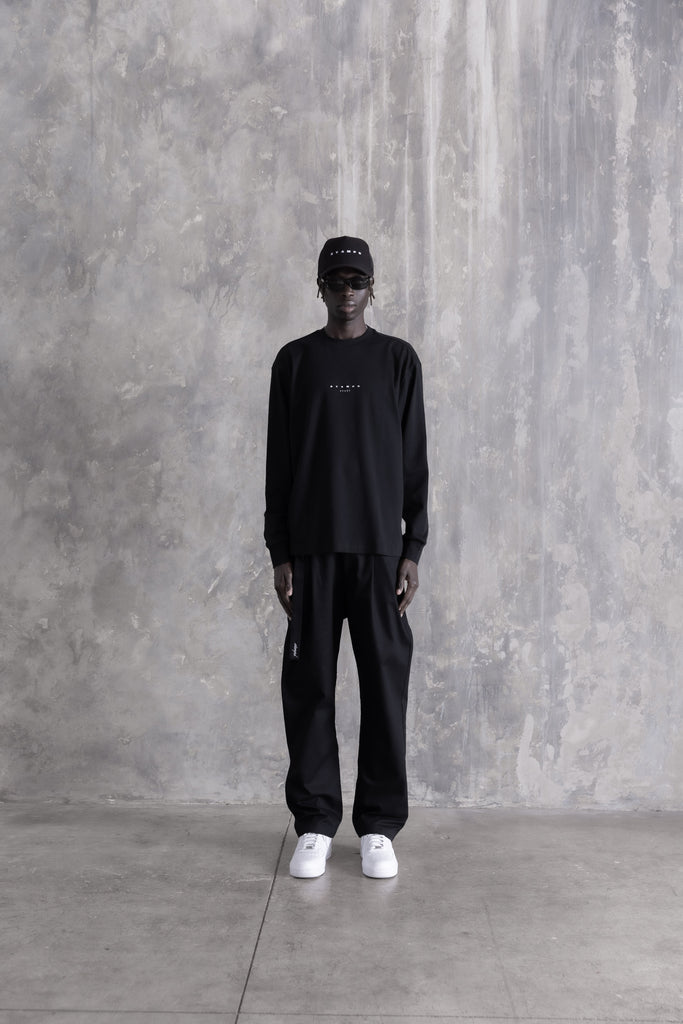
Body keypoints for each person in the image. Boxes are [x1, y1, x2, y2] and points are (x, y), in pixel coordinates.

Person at [264, 236, 428, 879]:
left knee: (385, 689)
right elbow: (279, 464)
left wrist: (412, 546)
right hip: (311, 552)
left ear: (372, 287)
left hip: (380, 554)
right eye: (336, 280)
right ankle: (314, 823)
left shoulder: (397, 360)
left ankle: (379, 826)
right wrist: (281, 550)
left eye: (357, 280)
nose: (347, 290)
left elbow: (414, 459)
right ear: (321, 287)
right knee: (309, 689)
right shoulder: (294, 361)